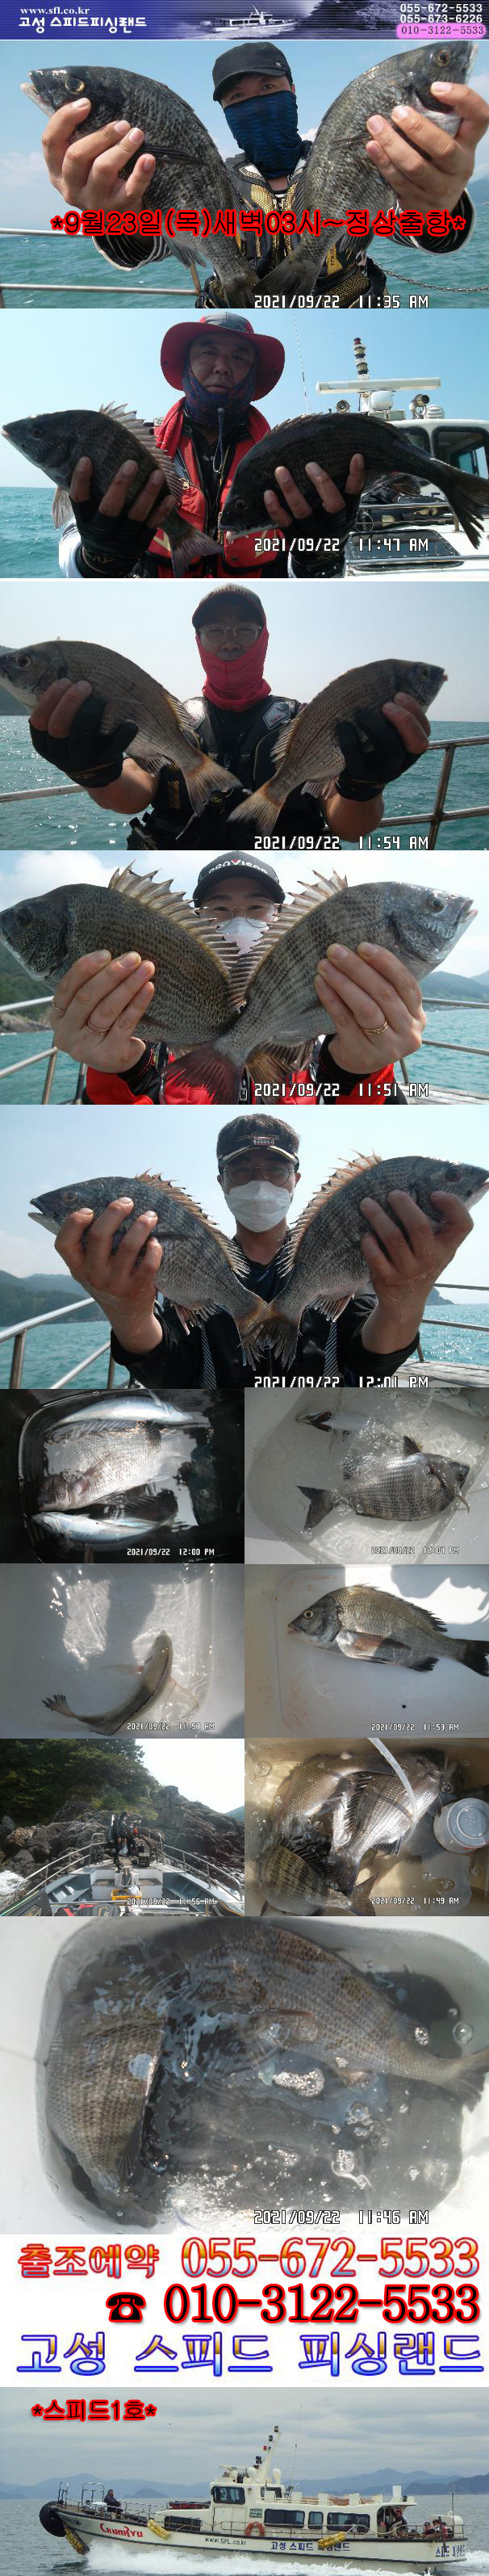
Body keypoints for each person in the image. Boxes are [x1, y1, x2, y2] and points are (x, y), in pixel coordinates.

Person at [39, 41, 489, 309]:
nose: (254, 104)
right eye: (237, 98)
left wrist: (437, 203)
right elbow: (151, 246)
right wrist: (116, 218)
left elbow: (418, 229)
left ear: (292, 91)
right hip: (239, 321)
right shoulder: (211, 181)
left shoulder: (352, 160)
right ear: (223, 111)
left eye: (268, 88)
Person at [49, 1109, 475, 1391]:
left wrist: (407, 1298)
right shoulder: (190, 1263)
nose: (260, 1181)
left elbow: (372, 1365)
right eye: (241, 1170)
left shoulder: (341, 1252)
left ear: (295, 1180)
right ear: (221, 1181)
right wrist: (126, 1312)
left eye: (276, 1169)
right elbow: (171, 1374)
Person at [27, 585, 433, 856]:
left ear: (263, 638)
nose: (230, 639)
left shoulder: (306, 720)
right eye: (215, 630)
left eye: (244, 629)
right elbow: (131, 795)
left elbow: (350, 827)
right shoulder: (175, 718)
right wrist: (95, 773)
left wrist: (364, 787)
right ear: (199, 641)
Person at [49, 851, 424, 1107]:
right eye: (220, 908)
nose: (238, 919)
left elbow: (361, 1107)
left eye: (257, 907)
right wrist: (115, 1069)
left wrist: (364, 1069)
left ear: (281, 918)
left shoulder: (332, 1022)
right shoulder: (145, 1028)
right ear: (193, 921)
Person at [56, 313, 366, 584]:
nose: (222, 367)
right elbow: (72, 541)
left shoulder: (289, 461)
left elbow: (311, 580)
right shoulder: (133, 446)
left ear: (254, 374)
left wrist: (321, 557)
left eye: (240, 357)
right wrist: (97, 557)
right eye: (207, 352)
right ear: (185, 365)